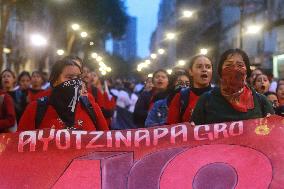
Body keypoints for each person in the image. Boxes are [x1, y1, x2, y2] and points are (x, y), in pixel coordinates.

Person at [18, 58, 108, 131]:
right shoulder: (36, 109)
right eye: (69, 77)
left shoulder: (91, 107)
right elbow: (19, 145)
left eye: (78, 77)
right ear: (55, 80)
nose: (75, 81)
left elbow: (106, 143)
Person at [191, 49, 274, 125]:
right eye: (229, 65)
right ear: (220, 71)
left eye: (240, 65)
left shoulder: (261, 101)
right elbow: (195, 134)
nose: (234, 69)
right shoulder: (206, 100)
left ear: (247, 72)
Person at [167, 55, 213, 124]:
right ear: (190, 71)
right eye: (199, 67)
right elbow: (172, 128)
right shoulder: (180, 97)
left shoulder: (220, 95)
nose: (204, 70)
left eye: (208, 67)